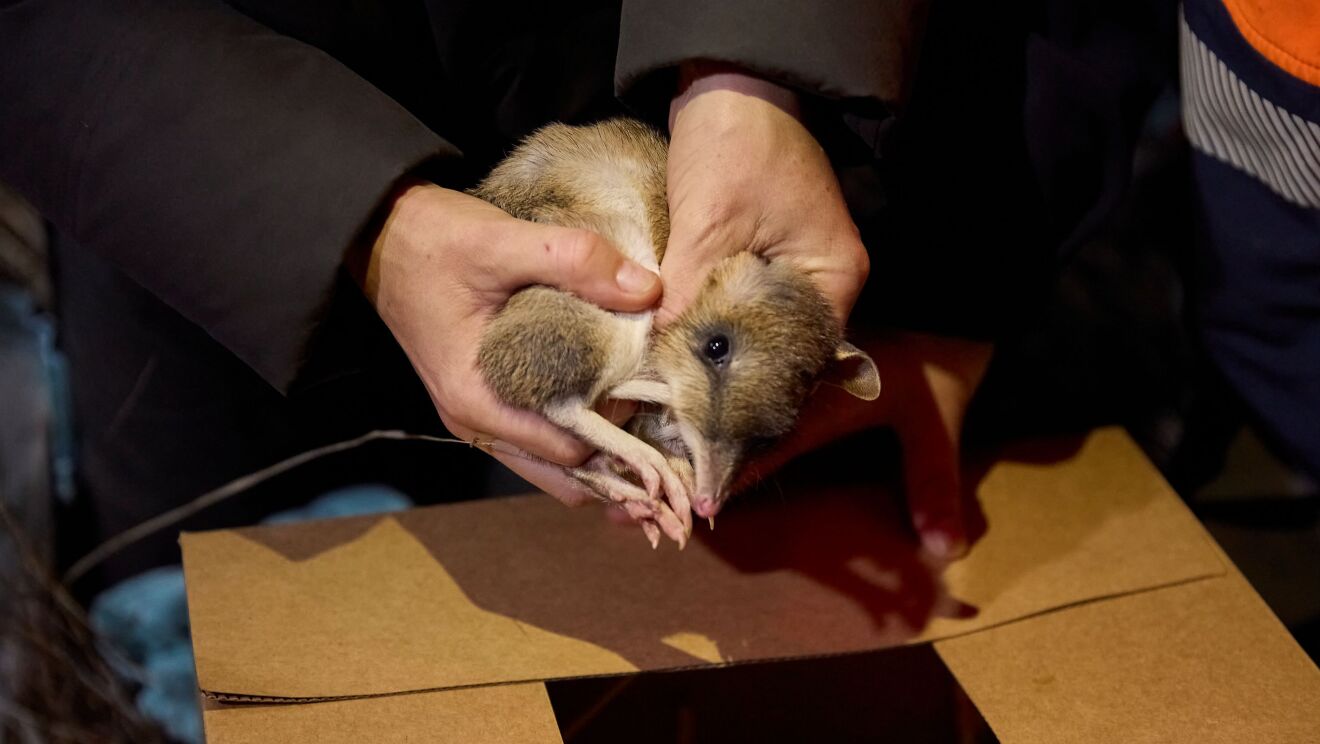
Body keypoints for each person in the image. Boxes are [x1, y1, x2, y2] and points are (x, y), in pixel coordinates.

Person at [1, 0, 1069, 587]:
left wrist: (753, 74)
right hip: (205, 201)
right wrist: (355, 223)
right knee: (238, 604)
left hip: (789, 123)